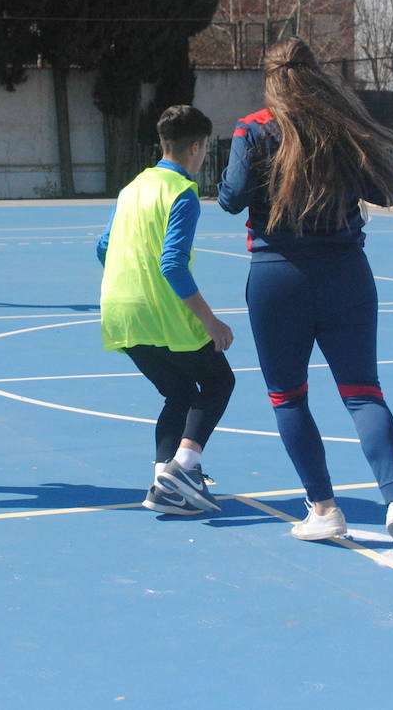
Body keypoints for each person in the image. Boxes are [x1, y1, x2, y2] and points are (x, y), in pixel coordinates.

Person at [218, 36, 393, 570]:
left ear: (270, 78)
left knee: (288, 397)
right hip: (346, 276)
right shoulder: (339, 127)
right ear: (316, 75)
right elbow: (389, 189)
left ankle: (323, 506)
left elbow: (230, 197)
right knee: (363, 394)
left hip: (277, 277)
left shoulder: (255, 127)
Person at [98, 105, 236, 517]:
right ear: (196, 147)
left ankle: (164, 482)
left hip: (119, 313)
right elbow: (172, 264)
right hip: (160, 312)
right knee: (218, 383)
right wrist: (210, 320)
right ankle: (186, 466)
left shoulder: (132, 188)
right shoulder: (183, 192)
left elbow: (103, 247)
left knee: (178, 393)